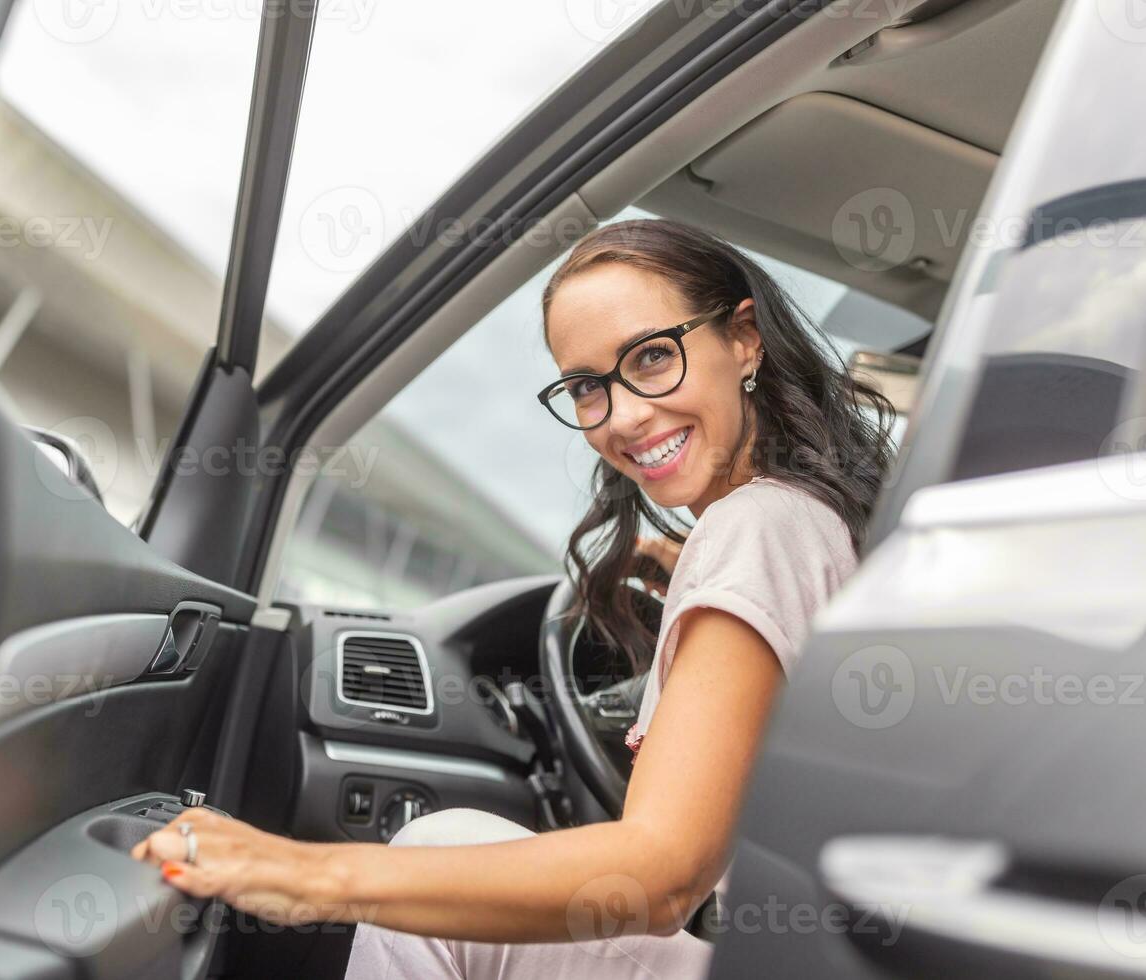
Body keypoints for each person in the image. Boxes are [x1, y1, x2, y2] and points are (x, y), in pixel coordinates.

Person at [131, 218, 895, 977]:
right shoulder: (809, 520)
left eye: (654, 356)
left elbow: (660, 872)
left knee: (437, 839)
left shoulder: (756, 526)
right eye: (588, 387)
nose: (623, 416)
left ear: (744, 338)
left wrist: (302, 874)